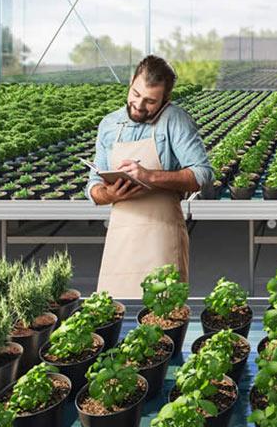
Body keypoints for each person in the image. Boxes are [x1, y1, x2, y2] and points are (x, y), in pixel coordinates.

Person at [86, 55, 212, 296]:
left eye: (150, 101)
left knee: (164, 315)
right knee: (112, 312)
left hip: (160, 238)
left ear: (165, 99)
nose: (139, 105)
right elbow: (94, 186)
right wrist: (108, 193)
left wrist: (150, 176)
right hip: (120, 237)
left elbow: (202, 174)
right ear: (131, 81)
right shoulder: (109, 125)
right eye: (135, 94)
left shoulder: (175, 121)